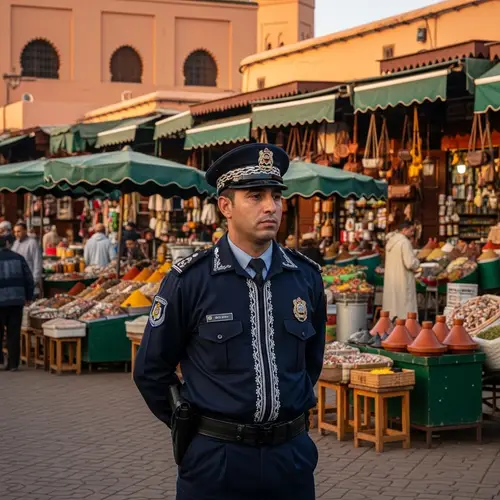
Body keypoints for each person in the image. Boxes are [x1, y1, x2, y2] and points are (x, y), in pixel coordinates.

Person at [134, 143, 326, 500]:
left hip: (291, 459)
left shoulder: (305, 277)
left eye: (276, 196)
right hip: (217, 460)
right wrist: (190, 430)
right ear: (225, 206)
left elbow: (310, 362)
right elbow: (150, 370)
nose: (271, 206)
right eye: (255, 196)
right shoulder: (191, 280)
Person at [0, 235, 35, 371]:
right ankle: (13, 363)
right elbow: (29, 279)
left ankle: (1, 361)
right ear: (7, 244)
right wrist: (28, 297)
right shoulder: (19, 258)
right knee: (13, 333)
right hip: (16, 301)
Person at [382, 221, 420, 320]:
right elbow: (410, 263)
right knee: (404, 308)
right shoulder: (404, 242)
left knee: (393, 306)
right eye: (411, 231)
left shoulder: (391, 241)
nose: (412, 233)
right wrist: (417, 262)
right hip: (403, 279)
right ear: (404, 230)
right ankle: (406, 329)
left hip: (392, 279)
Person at [12, 222, 42, 293]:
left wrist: (35, 280)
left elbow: (37, 262)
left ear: (25, 231)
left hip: (30, 281)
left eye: (18, 231)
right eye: (15, 232)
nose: (16, 234)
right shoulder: (15, 243)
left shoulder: (32, 243)